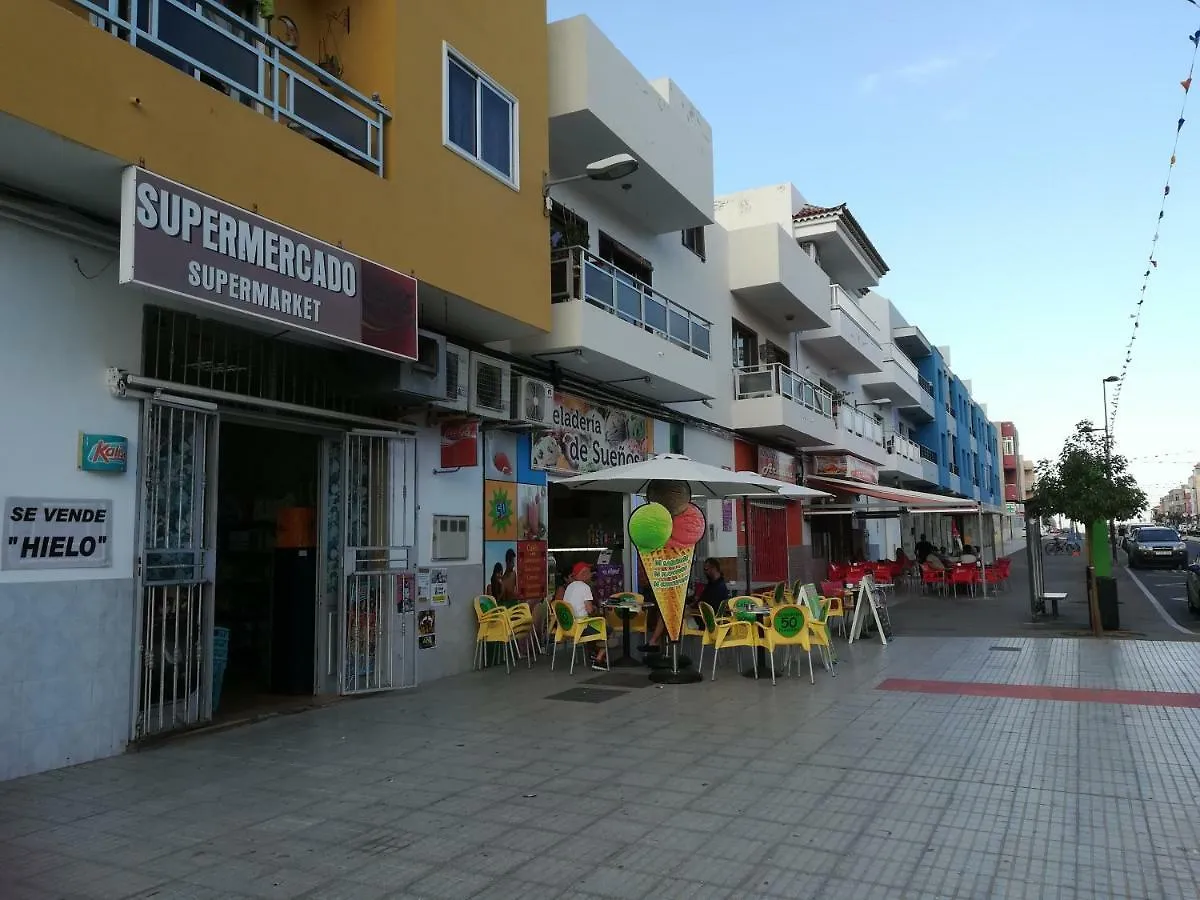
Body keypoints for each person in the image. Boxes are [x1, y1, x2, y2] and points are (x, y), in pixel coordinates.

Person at [643, 558, 729, 650]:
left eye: (706, 569)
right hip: (697, 615)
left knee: (667, 614)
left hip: (702, 620)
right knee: (664, 612)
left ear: (714, 568)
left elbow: (710, 610)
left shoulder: (718, 588)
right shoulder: (714, 584)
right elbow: (703, 603)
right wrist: (691, 605)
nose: (705, 572)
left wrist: (690, 610)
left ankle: (655, 642)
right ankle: (657, 643)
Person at [562, 562, 606, 668]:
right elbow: (590, 610)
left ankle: (593, 653)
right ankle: (599, 658)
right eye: (590, 572)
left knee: (594, 627)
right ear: (584, 574)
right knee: (606, 628)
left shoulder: (569, 587)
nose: (591, 574)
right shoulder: (585, 588)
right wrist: (597, 611)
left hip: (567, 627)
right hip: (580, 627)